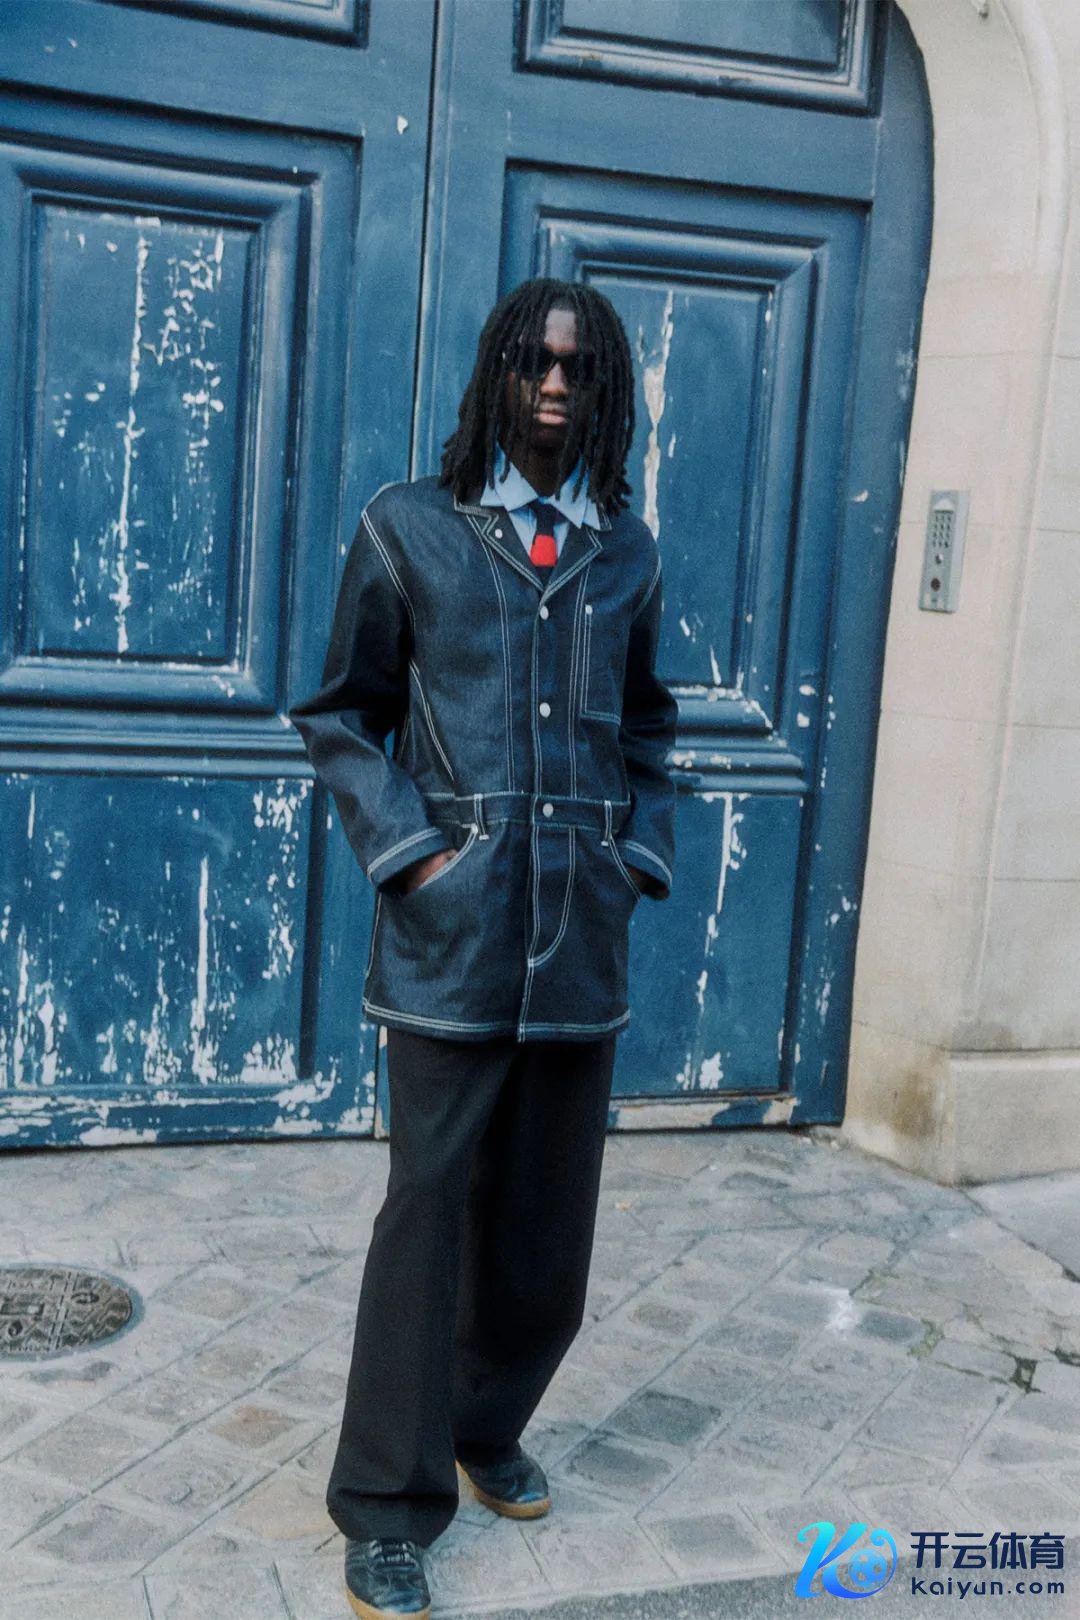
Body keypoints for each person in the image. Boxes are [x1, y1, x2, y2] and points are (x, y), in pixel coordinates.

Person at [288, 276, 678, 1620]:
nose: (556, 385)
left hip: (580, 943)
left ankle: (486, 1419)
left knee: (546, 1231)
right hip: (450, 943)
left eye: (580, 368)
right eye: (533, 362)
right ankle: (388, 1506)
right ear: (496, 376)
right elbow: (343, 716)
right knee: (428, 1215)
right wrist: (416, 856)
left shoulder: (627, 554)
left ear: (607, 391)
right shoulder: (410, 528)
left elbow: (650, 730)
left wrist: (634, 858)